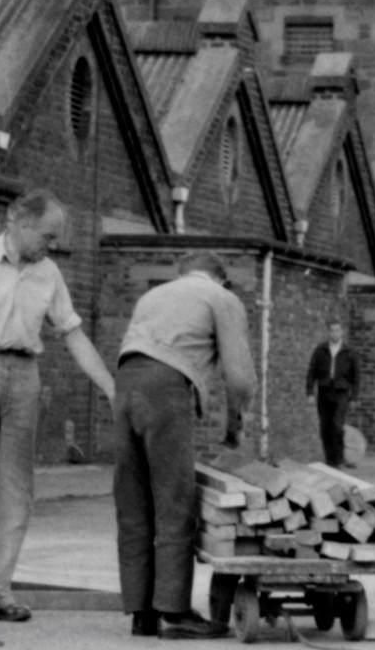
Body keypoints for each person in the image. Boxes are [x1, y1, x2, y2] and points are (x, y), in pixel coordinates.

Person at [0, 189, 118, 627]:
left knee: (14, 492)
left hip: (25, 379)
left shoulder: (49, 273)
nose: (50, 246)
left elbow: (72, 333)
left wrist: (109, 386)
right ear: (19, 221)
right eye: (48, 236)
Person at [111, 251, 255, 640]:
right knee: (174, 502)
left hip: (123, 385)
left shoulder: (153, 296)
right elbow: (239, 377)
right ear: (220, 277)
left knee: (134, 504)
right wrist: (235, 426)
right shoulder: (221, 298)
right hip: (165, 385)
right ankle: (174, 611)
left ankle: (142, 613)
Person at [306, 320, 359, 468]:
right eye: (332, 330)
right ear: (328, 332)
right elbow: (311, 372)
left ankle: (339, 458)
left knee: (337, 425)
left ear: (341, 332)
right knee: (325, 427)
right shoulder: (320, 350)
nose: (334, 333)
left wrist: (354, 397)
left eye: (337, 330)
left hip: (342, 392)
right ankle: (330, 459)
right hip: (324, 391)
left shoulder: (349, 352)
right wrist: (310, 392)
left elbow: (356, 377)